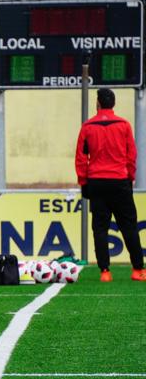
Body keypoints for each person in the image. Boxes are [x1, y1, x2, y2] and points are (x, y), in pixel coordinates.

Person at [75, 88, 146, 282]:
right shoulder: (124, 125)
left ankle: (105, 271)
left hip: (97, 182)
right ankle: (138, 269)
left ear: (98, 104)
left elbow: (81, 158)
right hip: (119, 181)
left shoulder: (88, 127)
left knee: (100, 227)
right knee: (129, 226)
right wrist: (130, 177)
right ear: (113, 104)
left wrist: (83, 182)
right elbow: (132, 156)